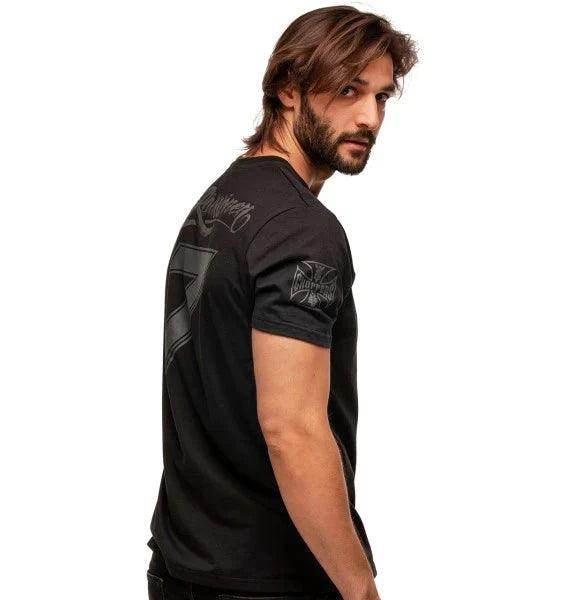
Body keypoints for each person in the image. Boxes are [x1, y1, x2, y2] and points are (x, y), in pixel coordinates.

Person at [146, 6, 418, 600]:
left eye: (381, 97)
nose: (369, 117)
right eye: (348, 90)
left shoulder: (223, 199)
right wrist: (360, 589)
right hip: (266, 578)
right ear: (288, 89)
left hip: (181, 564)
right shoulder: (301, 230)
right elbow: (292, 430)